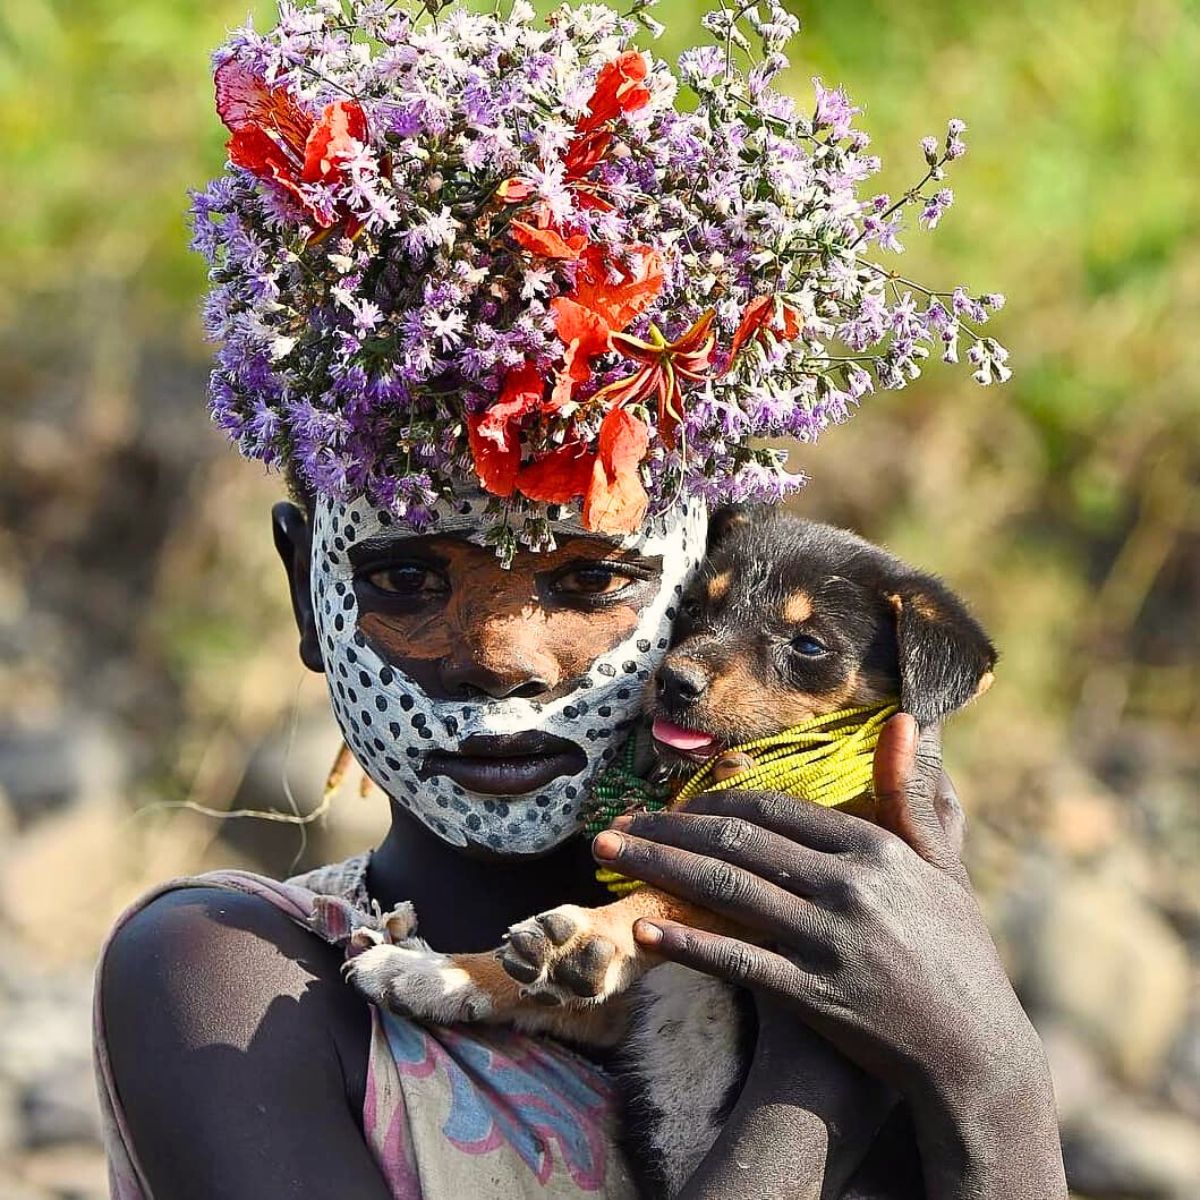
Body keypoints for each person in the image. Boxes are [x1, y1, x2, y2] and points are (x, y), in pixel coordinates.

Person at [95, 2, 1065, 1195]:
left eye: (591, 577)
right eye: (406, 576)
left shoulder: (900, 960)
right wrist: (823, 1057)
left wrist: (992, 1071)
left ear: (707, 584)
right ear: (307, 592)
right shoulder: (226, 976)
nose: (504, 653)